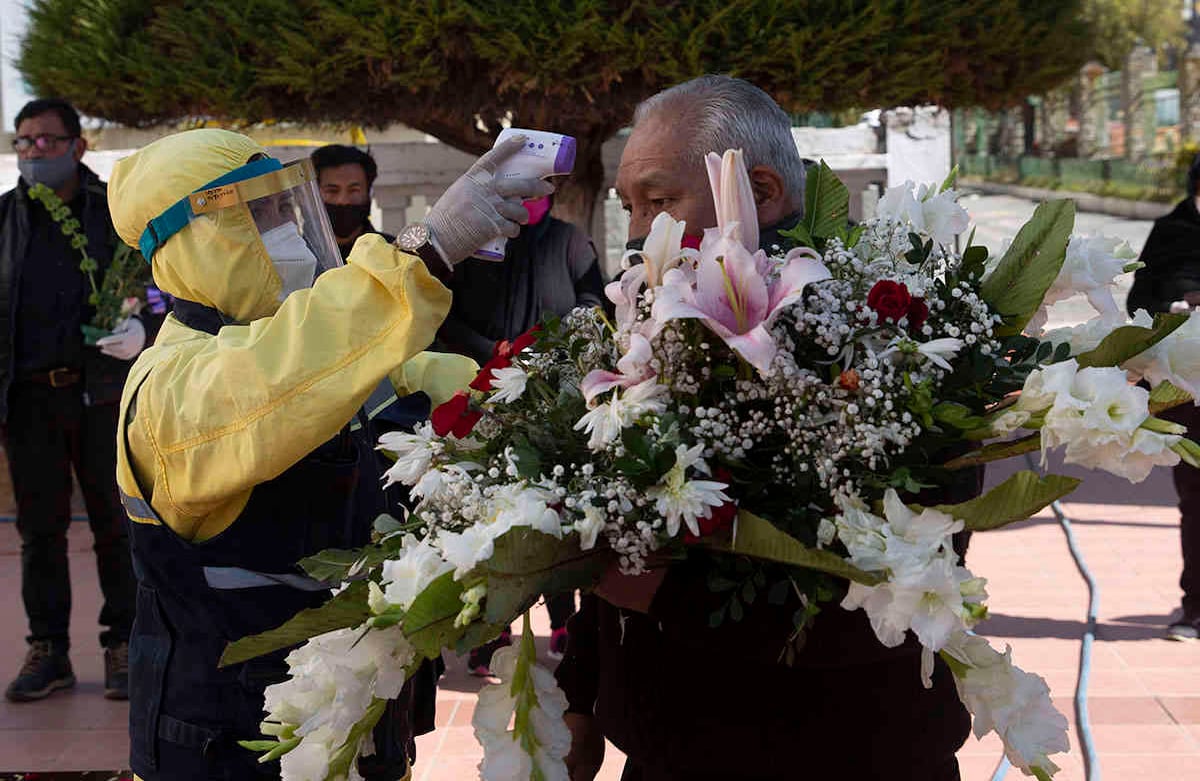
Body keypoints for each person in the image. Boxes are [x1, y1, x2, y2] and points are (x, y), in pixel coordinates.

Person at [555, 75, 975, 781]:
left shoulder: (883, 345)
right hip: (667, 754)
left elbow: (890, 598)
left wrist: (663, 595)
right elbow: (617, 542)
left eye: (659, 202)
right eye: (628, 206)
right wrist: (579, 698)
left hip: (857, 755)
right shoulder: (648, 327)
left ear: (763, 190)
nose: (635, 233)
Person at [108, 127, 550, 780]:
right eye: (259, 213)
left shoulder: (326, 353)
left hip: (355, 734)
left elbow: (409, 374)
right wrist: (423, 257)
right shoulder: (171, 387)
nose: (284, 227)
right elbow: (273, 382)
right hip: (227, 749)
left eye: (286, 207)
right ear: (193, 241)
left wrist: (552, 402)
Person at [1, 98, 148, 703]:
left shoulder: (115, 214)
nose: (35, 152)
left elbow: (162, 287)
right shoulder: (5, 218)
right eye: (24, 142)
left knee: (116, 525)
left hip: (102, 396)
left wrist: (147, 331)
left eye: (47, 141)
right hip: (31, 400)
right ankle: (49, 650)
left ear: (78, 146)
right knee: (40, 531)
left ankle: (123, 645)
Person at [436, 193, 605, 670]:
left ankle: (562, 622)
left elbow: (592, 299)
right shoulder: (475, 247)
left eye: (538, 190)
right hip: (484, 386)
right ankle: (493, 629)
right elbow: (446, 315)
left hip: (553, 390)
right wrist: (495, 350)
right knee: (489, 504)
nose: (529, 200)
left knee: (554, 498)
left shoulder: (570, 242)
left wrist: (553, 345)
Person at [1126, 152, 1200, 641]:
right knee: (1196, 500)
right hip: (1186, 385)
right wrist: (1170, 311)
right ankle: (1195, 607)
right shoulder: (1171, 232)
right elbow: (1138, 299)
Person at [310, 144, 393, 259]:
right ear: (314, 194)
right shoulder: (297, 257)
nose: (343, 200)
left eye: (354, 190)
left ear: (368, 194)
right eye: (332, 191)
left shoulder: (393, 254)